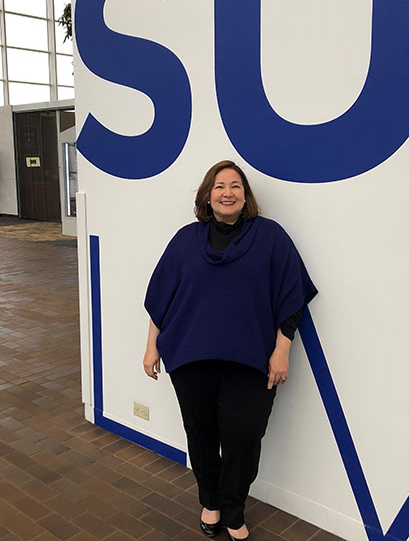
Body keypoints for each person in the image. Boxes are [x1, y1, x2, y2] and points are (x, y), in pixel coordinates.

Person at [143, 160, 317, 540]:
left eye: (235, 186)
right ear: (208, 195)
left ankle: (234, 509)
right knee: (201, 434)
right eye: (219, 186)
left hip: (251, 359)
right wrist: (151, 347)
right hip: (191, 357)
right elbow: (162, 297)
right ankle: (211, 503)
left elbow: (292, 296)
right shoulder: (185, 240)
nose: (227, 192)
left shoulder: (271, 237)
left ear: (245, 195)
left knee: (243, 437)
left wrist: (282, 349)